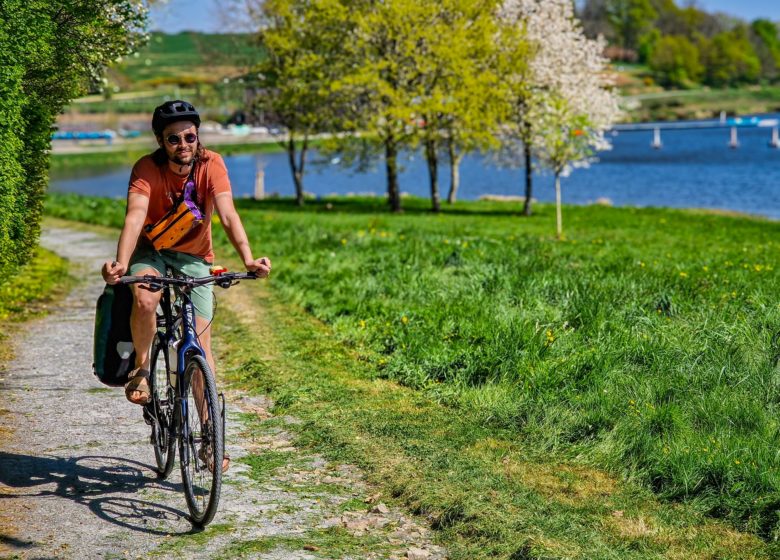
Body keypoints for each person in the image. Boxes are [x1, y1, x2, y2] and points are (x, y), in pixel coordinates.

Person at [101, 101, 271, 470]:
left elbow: (227, 212)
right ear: (161, 142)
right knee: (145, 299)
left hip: (195, 257)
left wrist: (248, 259)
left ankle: (210, 437)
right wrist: (121, 262)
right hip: (151, 252)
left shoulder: (213, 165)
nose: (183, 144)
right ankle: (143, 368)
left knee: (201, 349)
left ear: (198, 136)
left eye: (189, 136)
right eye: (173, 138)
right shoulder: (146, 168)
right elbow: (134, 216)